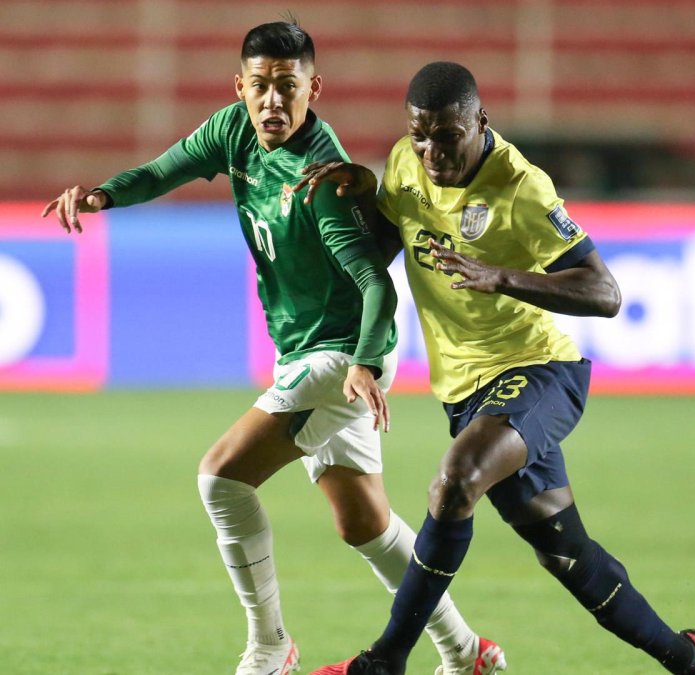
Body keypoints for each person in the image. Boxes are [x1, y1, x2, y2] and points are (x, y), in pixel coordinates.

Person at [40, 25, 504, 675]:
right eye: (260, 86)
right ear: (241, 87)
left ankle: (270, 645)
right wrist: (103, 195)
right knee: (364, 522)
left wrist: (363, 365)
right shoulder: (232, 130)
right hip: (306, 350)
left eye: (288, 86)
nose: (273, 101)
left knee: (221, 477)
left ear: (314, 88)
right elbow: (161, 172)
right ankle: (466, 649)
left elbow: (376, 283)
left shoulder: (323, 175)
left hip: (344, 354)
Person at [302, 61, 695, 675]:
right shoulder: (405, 163)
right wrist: (356, 199)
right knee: (564, 553)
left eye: (448, 136)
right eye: (420, 136)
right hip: (466, 392)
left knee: (456, 480)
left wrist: (502, 277)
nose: (432, 152)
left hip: (538, 371)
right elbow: (385, 245)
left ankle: (385, 661)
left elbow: (605, 293)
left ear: (480, 122)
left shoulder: (522, 187)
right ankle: (689, 659)